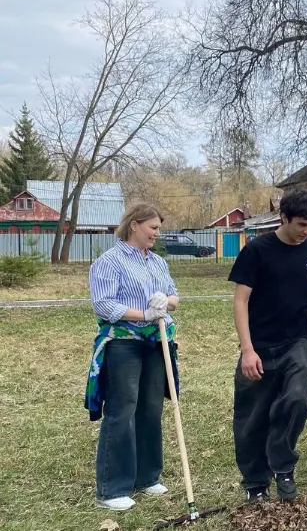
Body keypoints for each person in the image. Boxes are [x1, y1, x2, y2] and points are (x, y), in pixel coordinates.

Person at [228, 190, 307, 503]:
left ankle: (282, 466)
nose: (306, 231)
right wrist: (247, 350)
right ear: (283, 218)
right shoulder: (257, 251)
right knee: (252, 416)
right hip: (259, 343)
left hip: (296, 342)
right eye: (301, 224)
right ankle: (255, 483)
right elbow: (240, 301)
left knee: (297, 400)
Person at [86, 203, 180, 511]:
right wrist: (144, 313)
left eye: (158, 228)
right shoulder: (109, 261)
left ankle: (147, 477)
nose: (156, 233)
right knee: (122, 409)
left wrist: (166, 301)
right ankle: (112, 488)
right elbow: (103, 304)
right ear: (134, 225)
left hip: (157, 343)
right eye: (152, 227)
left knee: (151, 408)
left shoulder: (157, 262)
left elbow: (174, 295)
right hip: (123, 343)